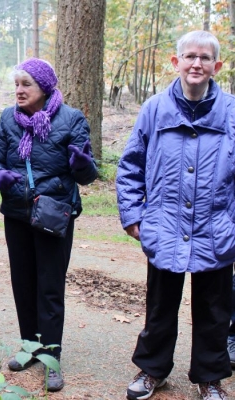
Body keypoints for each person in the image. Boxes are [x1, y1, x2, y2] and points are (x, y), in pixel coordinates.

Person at [116, 30, 235, 400]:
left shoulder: (231, 111)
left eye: (204, 58)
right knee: (160, 306)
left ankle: (210, 378)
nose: (196, 63)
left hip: (216, 227)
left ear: (216, 66)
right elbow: (131, 165)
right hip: (165, 226)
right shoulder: (154, 108)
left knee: (215, 311)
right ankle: (152, 370)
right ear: (176, 62)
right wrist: (134, 214)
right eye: (189, 56)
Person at [0, 58, 98, 392]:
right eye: (16, 84)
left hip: (52, 215)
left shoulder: (71, 119)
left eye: (26, 85)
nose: (18, 91)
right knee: (23, 283)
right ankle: (30, 346)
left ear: (44, 88)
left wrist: (83, 164)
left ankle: (51, 357)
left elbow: (89, 176)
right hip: (17, 214)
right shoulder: (9, 118)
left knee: (49, 287)